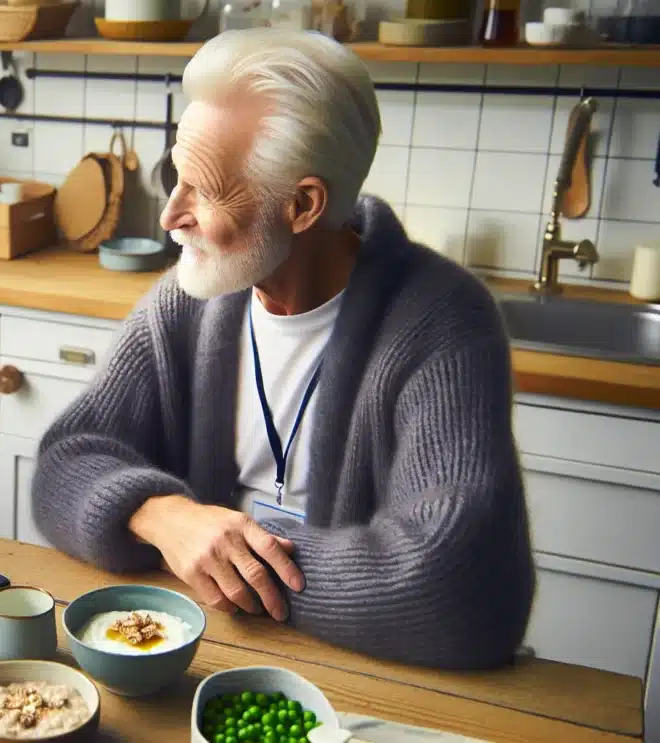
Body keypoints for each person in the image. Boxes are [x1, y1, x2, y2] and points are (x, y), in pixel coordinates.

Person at [30, 29, 535, 669]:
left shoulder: (444, 322)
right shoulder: (188, 297)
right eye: (174, 177)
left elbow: (458, 583)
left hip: (368, 671)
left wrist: (237, 566)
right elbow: (64, 463)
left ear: (301, 205)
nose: (169, 216)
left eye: (204, 190)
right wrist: (163, 517)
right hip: (200, 648)